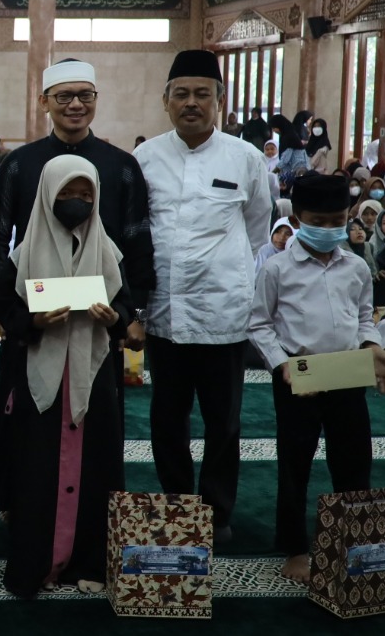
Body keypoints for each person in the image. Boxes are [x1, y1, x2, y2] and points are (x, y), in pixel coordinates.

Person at [134, 50, 272, 544]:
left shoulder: (247, 159)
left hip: (223, 314)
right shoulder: (145, 158)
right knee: (166, 419)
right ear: (165, 101)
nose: (192, 103)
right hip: (165, 315)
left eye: (202, 94)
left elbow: (256, 232)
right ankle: (176, 503)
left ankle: (217, 512)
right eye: (182, 94)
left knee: (223, 423)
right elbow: (137, 235)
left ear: (220, 101)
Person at [247, 174, 385, 583]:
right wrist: (283, 364)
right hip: (298, 376)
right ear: (297, 217)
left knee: (353, 459)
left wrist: (373, 346)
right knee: (295, 464)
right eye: (319, 219)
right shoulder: (278, 269)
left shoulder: (355, 266)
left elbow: (363, 317)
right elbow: (260, 325)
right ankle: (295, 547)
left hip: (347, 373)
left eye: (337, 220)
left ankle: (354, 540)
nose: (329, 228)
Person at [0, 59, 153, 409]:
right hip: (31, 308)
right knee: (28, 419)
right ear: (44, 102)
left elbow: (136, 240)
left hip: (99, 311)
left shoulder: (122, 166)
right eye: (64, 96)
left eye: (85, 95)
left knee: (96, 415)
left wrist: (136, 314)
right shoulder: (18, 164)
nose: (76, 104)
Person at [0, 157, 127, 596]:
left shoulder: (106, 250)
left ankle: (87, 561)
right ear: (47, 196)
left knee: (95, 468)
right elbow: (8, 315)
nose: (76, 203)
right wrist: (36, 322)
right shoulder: (22, 255)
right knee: (38, 468)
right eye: (65, 194)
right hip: (39, 375)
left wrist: (113, 316)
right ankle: (37, 563)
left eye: (85, 195)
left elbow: (126, 307)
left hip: (92, 374)